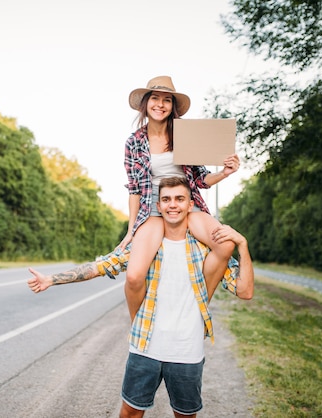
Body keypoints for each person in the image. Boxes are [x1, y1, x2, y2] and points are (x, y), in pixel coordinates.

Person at [28, 176, 254, 418]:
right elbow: (101, 266)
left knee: (185, 415)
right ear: (159, 206)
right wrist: (51, 279)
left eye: (179, 199)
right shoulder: (145, 248)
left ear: (190, 205)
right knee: (130, 413)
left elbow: (245, 291)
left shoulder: (205, 250)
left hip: (187, 351)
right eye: (166, 199)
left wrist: (242, 244)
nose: (173, 205)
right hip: (145, 347)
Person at [119, 75, 241, 322]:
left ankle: (195, 311)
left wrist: (224, 173)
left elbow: (200, 180)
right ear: (146, 103)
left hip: (187, 203)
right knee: (133, 277)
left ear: (172, 106)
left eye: (167, 100)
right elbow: (133, 190)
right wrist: (131, 230)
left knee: (226, 244)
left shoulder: (184, 135)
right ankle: (137, 325)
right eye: (155, 98)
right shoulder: (134, 142)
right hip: (153, 207)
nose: (160, 104)